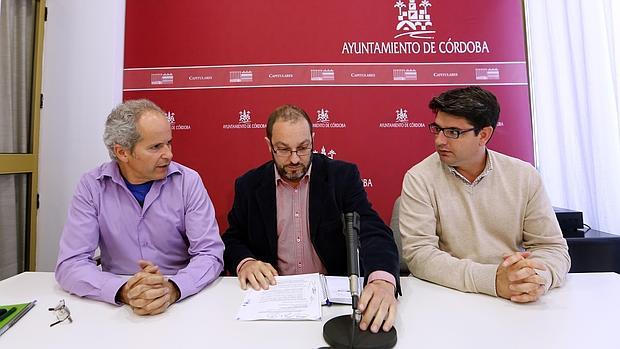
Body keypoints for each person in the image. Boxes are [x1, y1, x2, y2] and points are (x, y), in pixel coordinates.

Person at [222, 104, 400, 333]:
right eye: (284, 149)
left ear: (313, 140)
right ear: (269, 145)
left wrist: (382, 280)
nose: (295, 159)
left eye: (303, 148)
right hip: (275, 300)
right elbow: (233, 239)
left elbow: (373, 230)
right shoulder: (249, 185)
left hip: (333, 304)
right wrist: (246, 262)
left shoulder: (341, 177)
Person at [399, 86, 570, 303]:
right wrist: (492, 281)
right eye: (437, 129)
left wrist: (536, 278)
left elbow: (551, 247)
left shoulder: (523, 175)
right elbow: (420, 255)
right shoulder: (419, 178)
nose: (440, 140)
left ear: (484, 135)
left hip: (513, 297)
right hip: (447, 296)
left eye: (453, 132)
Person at [55, 99, 224, 315]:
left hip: (181, 299)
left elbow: (210, 254)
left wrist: (173, 289)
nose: (169, 154)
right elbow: (71, 263)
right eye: (156, 147)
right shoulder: (92, 186)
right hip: (117, 305)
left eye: (168, 143)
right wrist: (124, 291)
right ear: (122, 152)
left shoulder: (187, 182)